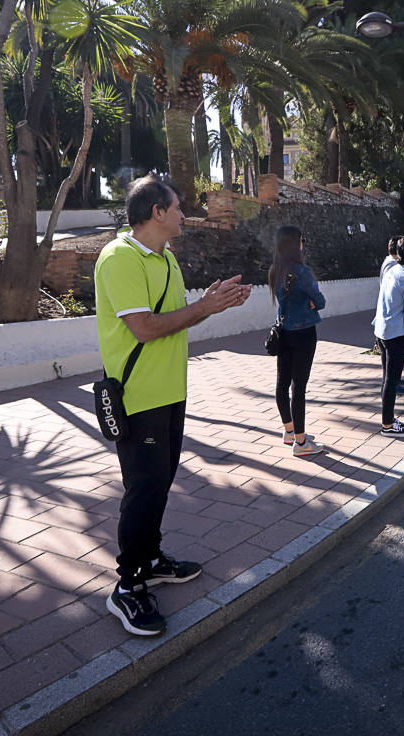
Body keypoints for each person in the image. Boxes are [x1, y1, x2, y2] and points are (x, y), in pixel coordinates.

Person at [95, 176, 251, 637]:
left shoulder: (166, 258)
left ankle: (152, 559)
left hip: (170, 393)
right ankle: (127, 586)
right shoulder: (120, 258)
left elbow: (173, 319)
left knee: (160, 482)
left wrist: (209, 305)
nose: (185, 214)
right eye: (178, 207)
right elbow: (144, 328)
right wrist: (204, 309)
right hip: (139, 397)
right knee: (143, 489)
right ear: (157, 212)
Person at [271, 225, 327, 456]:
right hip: (303, 333)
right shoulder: (302, 271)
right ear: (297, 244)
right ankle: (302, 443)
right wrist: (312, 302)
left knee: (282, 383)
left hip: (282, 331)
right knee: (299, 387)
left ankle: (290, 431)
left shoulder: (275, 270)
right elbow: (320, 301)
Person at [374, 236, 404, 436]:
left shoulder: (391, 271)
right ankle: (387, 425)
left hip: (383, 331)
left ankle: (388, 418)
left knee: (387, 378)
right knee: (392, 381)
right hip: (396, 334)